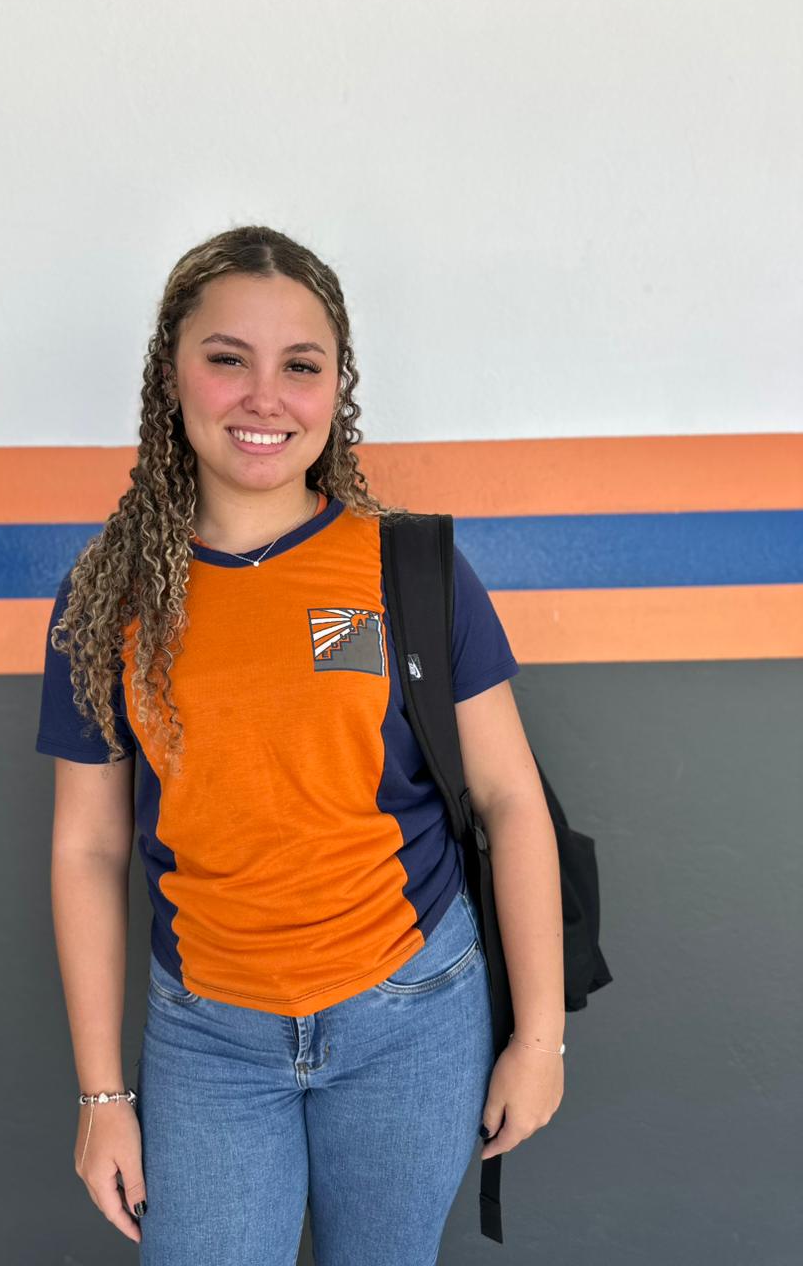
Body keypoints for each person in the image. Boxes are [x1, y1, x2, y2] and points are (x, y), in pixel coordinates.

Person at [35, 224, 565, 1265]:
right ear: (171, 375)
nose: (264, 397)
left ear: (337, 388)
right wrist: (102, 1095)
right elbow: (86, 848)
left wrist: (539, 1035)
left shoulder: (410, 568)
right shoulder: (106, 599)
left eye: (301, 366)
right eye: (227, 358)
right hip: (209, 1040)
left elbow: (511, 799)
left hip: (414, 1012)